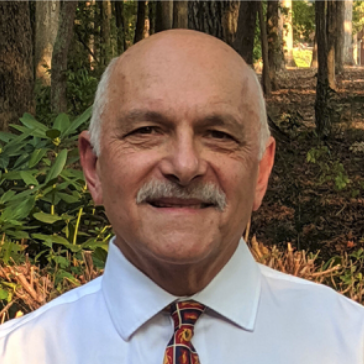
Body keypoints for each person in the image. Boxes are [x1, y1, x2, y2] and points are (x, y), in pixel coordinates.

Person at [0, 29, 363, 364]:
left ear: (261, 172)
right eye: (147, 130)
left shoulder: (349, 342)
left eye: (219, 134)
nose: (185, 165)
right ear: (94, 167)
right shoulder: (22, 352)